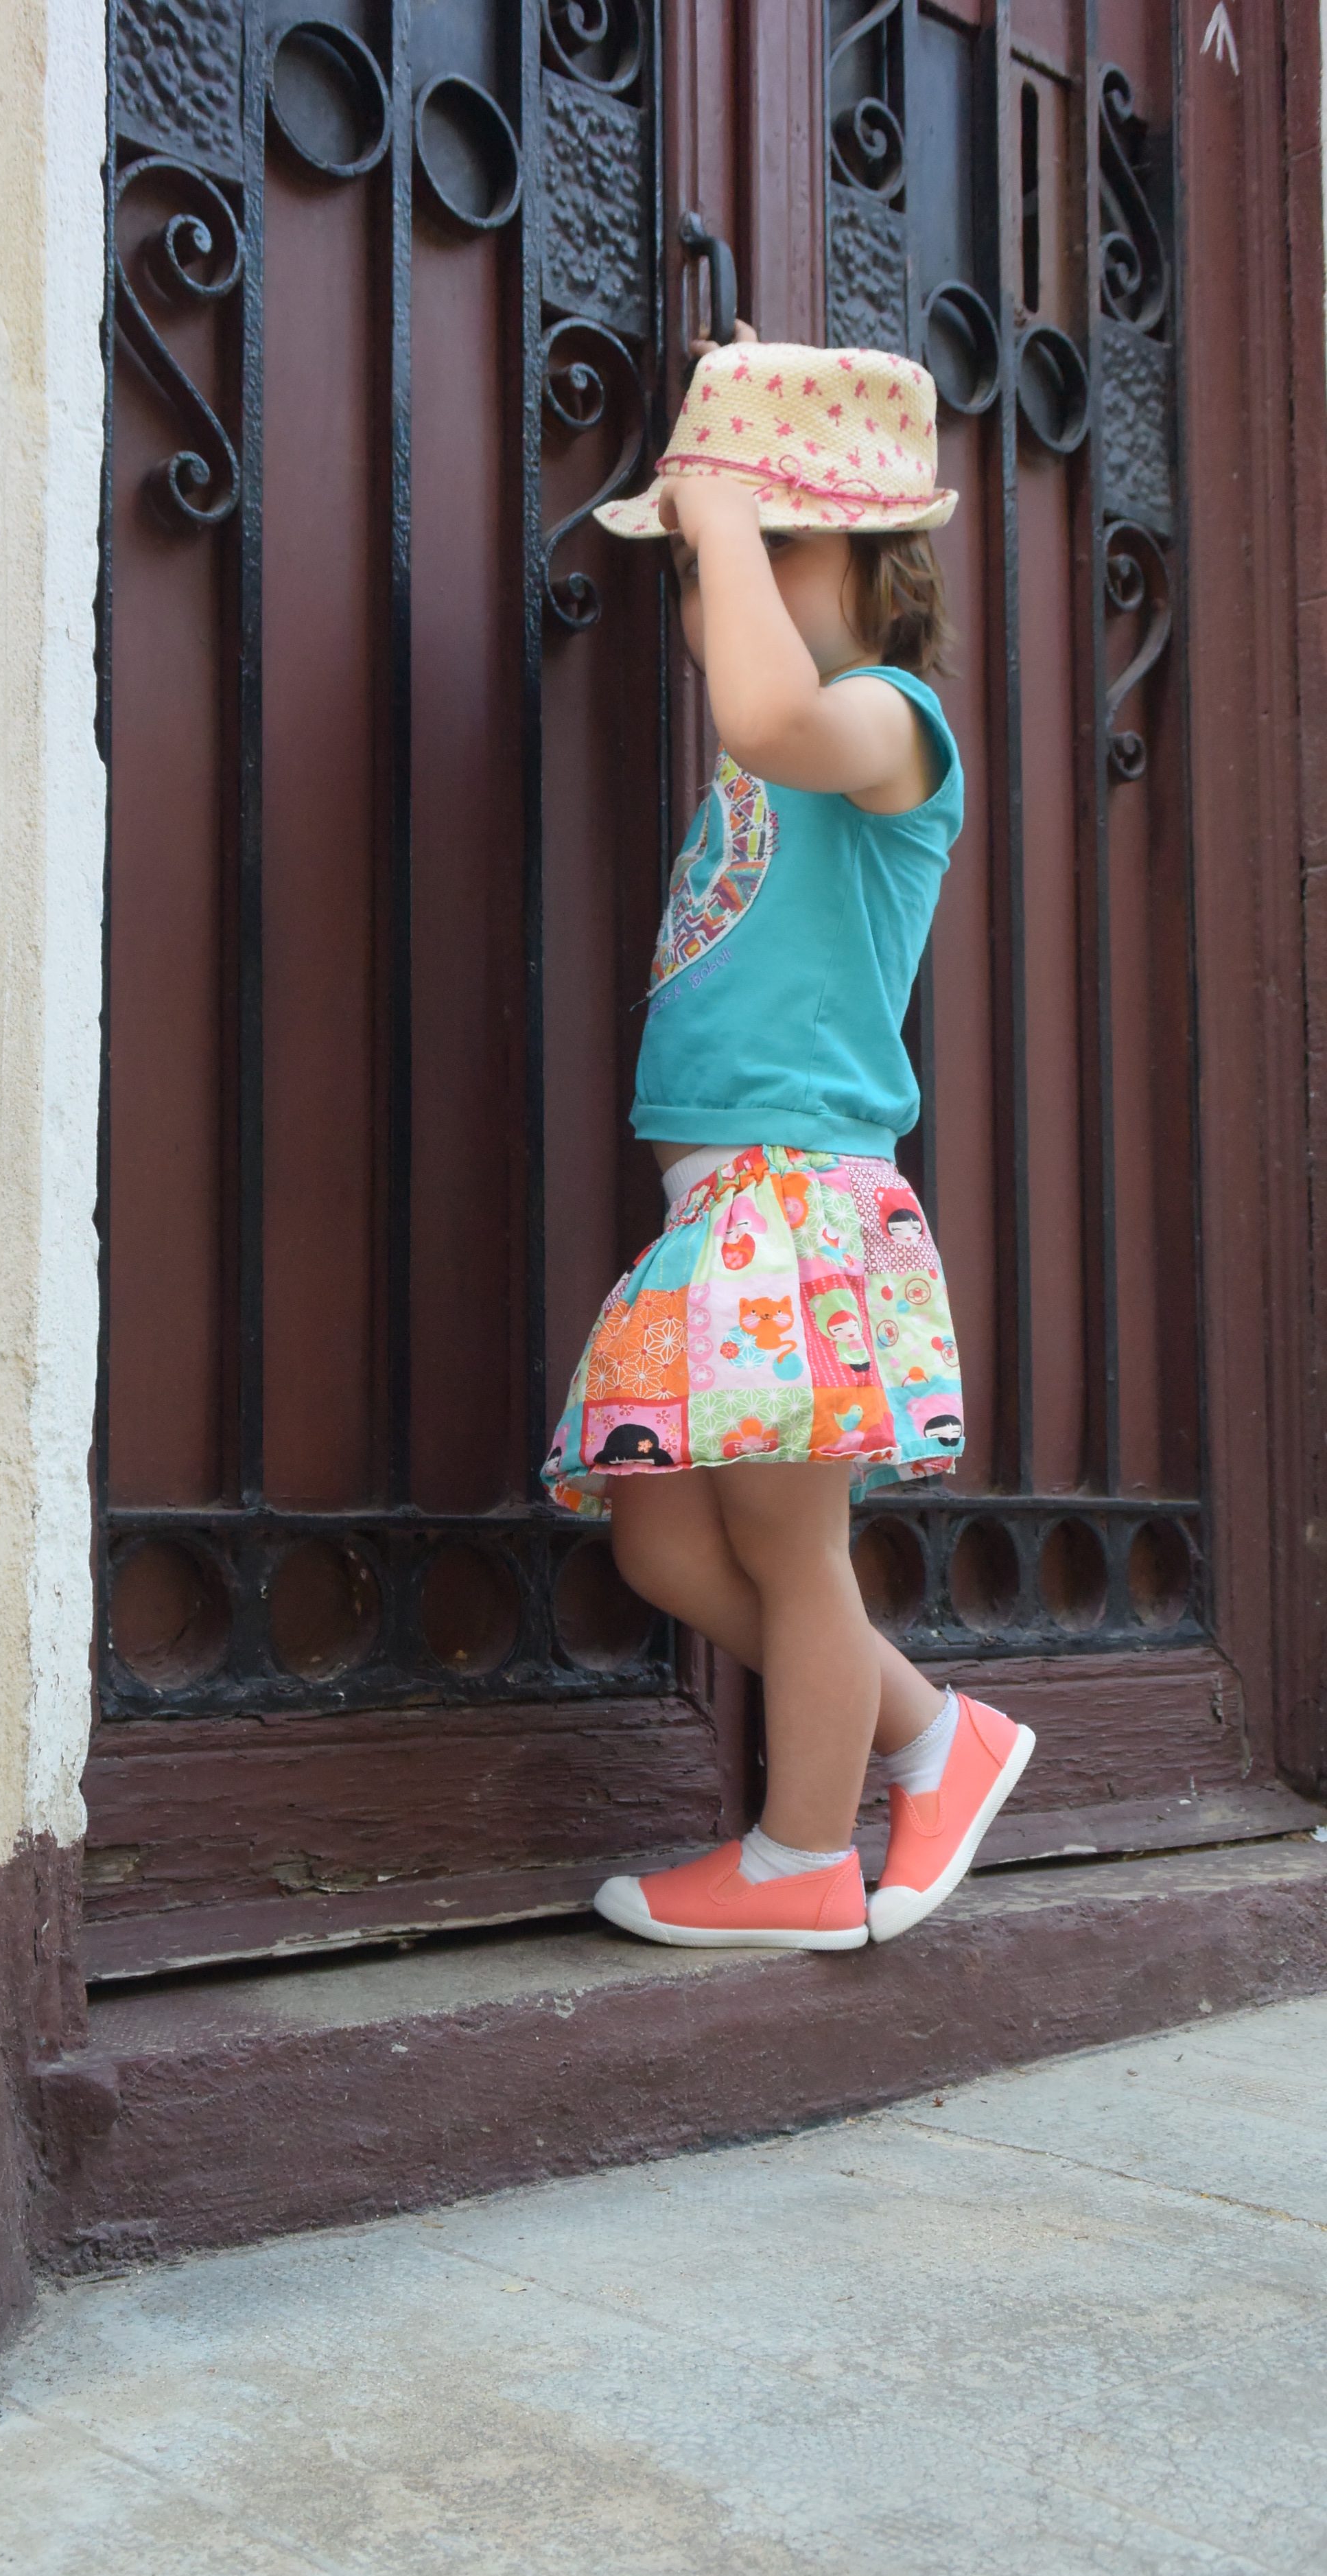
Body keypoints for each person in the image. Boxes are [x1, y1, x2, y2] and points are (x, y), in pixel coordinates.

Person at [542, 334, 1034, 1951]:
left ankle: (800, 1857)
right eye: (701, 573)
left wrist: (716, 499)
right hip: (727, 1208)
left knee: (788, 1542)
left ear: (874, 564)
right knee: (663, 1532)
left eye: (762, 550)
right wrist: (742, 476)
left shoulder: (888, 722)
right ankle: (932, 1736)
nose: (715, 594)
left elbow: (766, 704)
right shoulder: (788, 743)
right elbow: (759, 701)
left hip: (803, 1199)